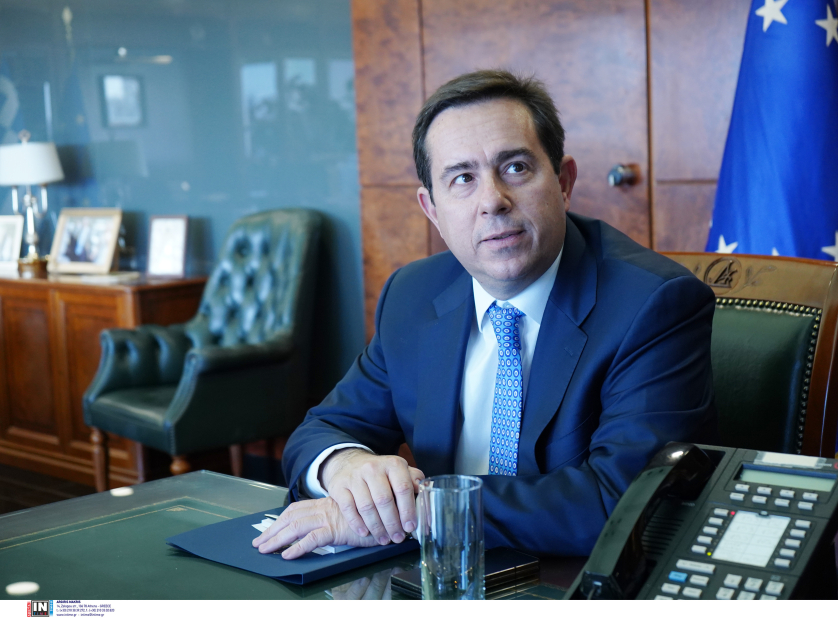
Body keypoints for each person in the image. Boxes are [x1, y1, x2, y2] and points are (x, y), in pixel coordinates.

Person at [253, 69, 716, 559]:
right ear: (432, 209)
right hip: (442, 575)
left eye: (515, 167)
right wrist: (345, 468)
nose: (492, 200)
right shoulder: (413, 295)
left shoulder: (652, 305)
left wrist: (423, 510)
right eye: (462, 178)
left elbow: (621, 501)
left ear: (563, 182)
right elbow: (323, 430)